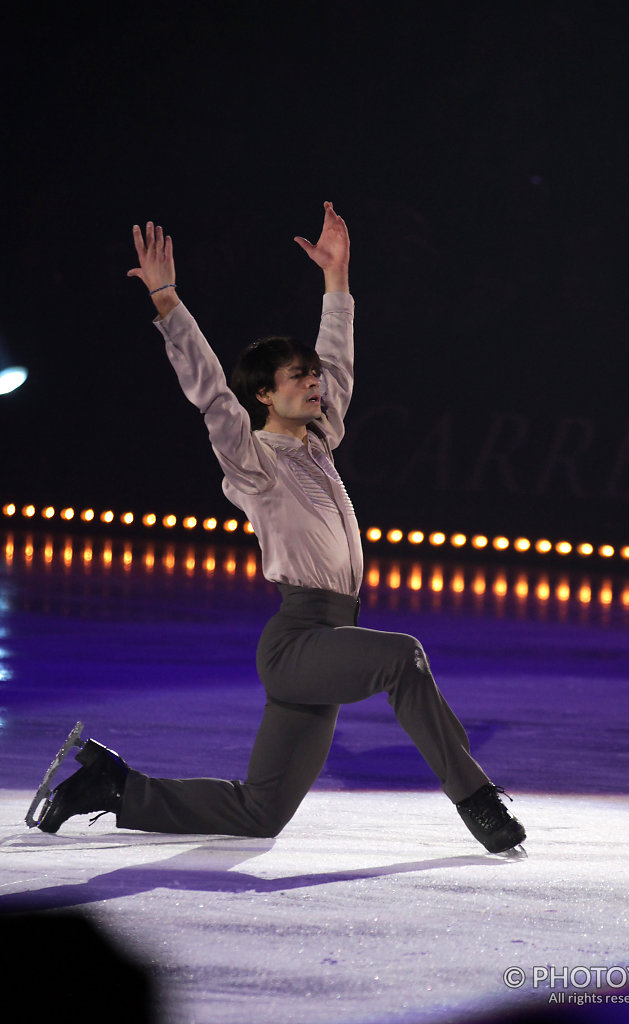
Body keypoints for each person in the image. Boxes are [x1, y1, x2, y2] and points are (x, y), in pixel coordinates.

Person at [30, 203, 526, 854]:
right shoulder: (253, 460)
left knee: (260, 811)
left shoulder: (318, 442)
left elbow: (338, 361)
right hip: (298, 642)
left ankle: (114, 787)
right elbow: (209, 391)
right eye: (299, 378)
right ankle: (477, 801)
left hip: (329, 640)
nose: (315, 383)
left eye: (313, 377)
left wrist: (337, 280)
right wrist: (165, 296)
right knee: (403, 657)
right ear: (264, 394)